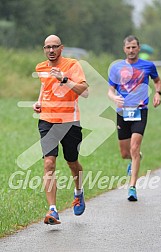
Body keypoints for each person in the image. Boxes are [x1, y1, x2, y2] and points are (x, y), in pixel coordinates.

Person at [33, 34, 89, 224]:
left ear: (61, 48)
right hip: (47, 120)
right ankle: (53, 210)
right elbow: (45, 88)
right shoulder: (40, 68)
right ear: (44, 49)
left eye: (54, 47)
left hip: (69, 122)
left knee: (72, 162)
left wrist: (64, 79)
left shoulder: (72, 65)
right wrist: (39, 101)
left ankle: (79, 191)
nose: (51, 50)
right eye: (47, 47)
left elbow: (85, 91)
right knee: (49, 163)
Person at [108, 35, 161, 201]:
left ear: (138, 48)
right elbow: (110, 90)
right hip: (123, 112)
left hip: (140, 110)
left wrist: (158, 94)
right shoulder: (116, 68)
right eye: (128, 48)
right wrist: (114, 98)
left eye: (134, 47)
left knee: (134, 148)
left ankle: (132, 187)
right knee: (125, 153)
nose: (131, 50)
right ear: (124, 49)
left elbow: (157, 81)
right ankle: (134, 158)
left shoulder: (148, 66)